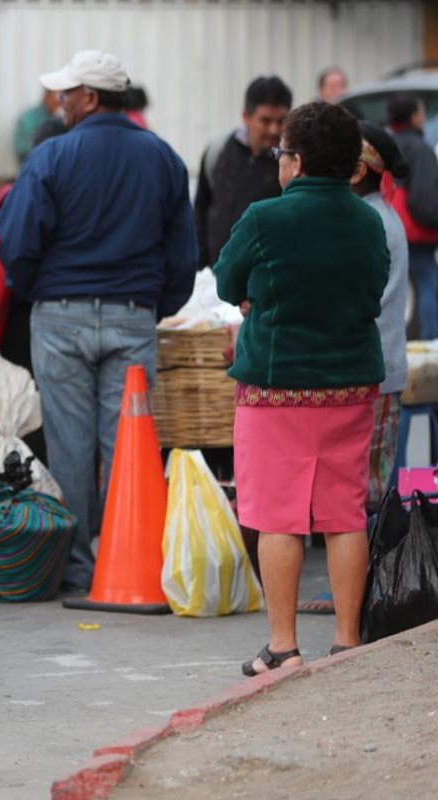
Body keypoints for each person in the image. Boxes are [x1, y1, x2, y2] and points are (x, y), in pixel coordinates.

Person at [0, 49, 196, 595]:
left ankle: (81, 569)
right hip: (134, 317)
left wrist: (38, 291)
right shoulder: (163, 158)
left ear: (88, 98)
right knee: (128, 445)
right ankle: (127, 560)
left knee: (70, 446)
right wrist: (153, 305)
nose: (58, 103)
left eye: (66, 94)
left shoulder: (52, 157)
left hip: (61, 317)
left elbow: (16, 245)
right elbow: (183, 256)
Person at [213, 102, 389, 674]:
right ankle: (345, 641)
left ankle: (283, 647)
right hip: (350, 385)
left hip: (277, 387)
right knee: (345, 514)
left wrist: (256, 299)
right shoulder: (369, 220)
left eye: (282, 153)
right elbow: (374, 288)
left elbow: (225, 281)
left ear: (299, 160)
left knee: (278, 516)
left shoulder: (266, 218)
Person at [298, 123, 411, 617]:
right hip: (372, 370)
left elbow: (366, 300)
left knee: (365, 487)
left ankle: (367, 590)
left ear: (359, 169)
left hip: (377, 373)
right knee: (358, 484)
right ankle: (360, 588)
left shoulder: (375, 222)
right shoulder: (370, 215)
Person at [194, 76, 292, 270]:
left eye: (281, 121)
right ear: (246, 116)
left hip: (267, 285)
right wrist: (200, 266)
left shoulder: (293, 163)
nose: (274, 129)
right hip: (214, 282)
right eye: (265, 120)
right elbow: (200, 211)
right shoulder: (218, 150)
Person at [388, 94, 438, 340]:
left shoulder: (385, 144)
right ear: (414, 117)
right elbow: (424, 197)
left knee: (394, 291)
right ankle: (432, 344)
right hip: (416, 234)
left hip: (387, 229)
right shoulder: (421, 149)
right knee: (429, 286)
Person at [13, 90, 61, 164]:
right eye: (57, 97)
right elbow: (28, 146)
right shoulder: (32, 117)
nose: (59, 102)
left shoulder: (51, 116)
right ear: (46, 97)